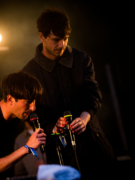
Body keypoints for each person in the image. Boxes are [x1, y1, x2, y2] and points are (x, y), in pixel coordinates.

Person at [22, 8, 115, 179]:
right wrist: (53, 127)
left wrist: (85, 117)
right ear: (42, 36)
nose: (62, 45)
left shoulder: (81, 59)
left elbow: (93, 92)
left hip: (93, 144)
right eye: (56, 40)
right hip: (58, 152)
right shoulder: (29, 73)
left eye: (65, 39)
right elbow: (31, 112)